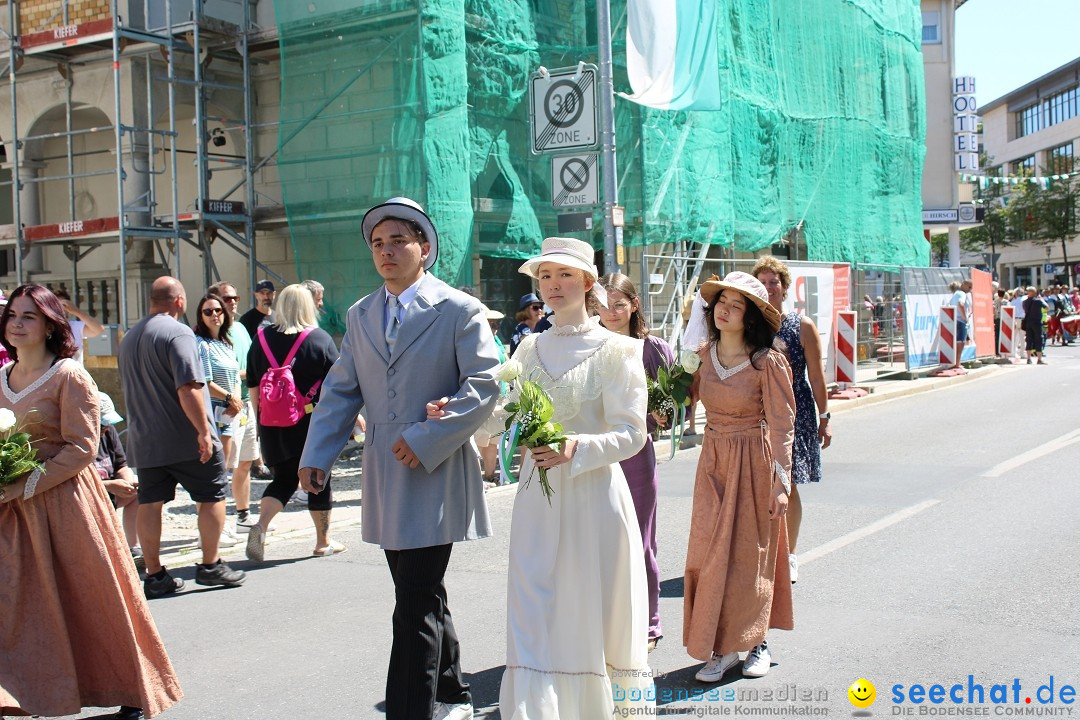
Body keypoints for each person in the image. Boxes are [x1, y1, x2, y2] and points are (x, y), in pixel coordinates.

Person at [298, 197, 500, 720]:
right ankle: (453, 692)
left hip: (434, 466)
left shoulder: (458, 308)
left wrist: (428, 436)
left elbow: (484, 384)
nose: (386, 251)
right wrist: (316, 453)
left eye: (398, 241)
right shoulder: (361, 313)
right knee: (418, 588)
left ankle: (410, 710)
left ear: (424, 248)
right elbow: (342, 390)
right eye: (377, 243)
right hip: (384, 472)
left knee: (413, 599)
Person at [0, 283, 182, 720]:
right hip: (13, 515)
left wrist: (23, 485)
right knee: (20, 604)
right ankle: (31, 693)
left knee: (93, 598)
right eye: (13, 315)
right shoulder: (1, 378)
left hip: (67, 506)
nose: (18, 323)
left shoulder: (70, 375)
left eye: (29, 316)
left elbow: (82, 448)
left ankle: (134, 693)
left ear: (49, 326)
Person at [488, 238, 653, 719]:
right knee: (535, 606)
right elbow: (508, 414)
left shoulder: (620, 350)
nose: (553, 285)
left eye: (563, 275)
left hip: (595, 499)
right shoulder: (528, 349)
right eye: (545, 276)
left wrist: (576, 447)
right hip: (536, 499)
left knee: (590, 609)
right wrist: (458, 417)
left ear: (586, 282)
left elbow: (633, 434)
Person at [683, 271, 795, 682]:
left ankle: (756, 641)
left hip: (754, 461)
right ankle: (723, 645)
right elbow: (681, 402)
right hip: (713, 461)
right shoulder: (700, 356)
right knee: (711, 554)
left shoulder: (767, 361)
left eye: (736, 305)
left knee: (751, 556)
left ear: (749, 316)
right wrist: (663, 405)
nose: (724, 311)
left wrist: (781, 484)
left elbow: (784, 425)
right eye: (721, 303)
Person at [118, 276, 246, 597]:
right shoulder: (178, 332)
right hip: (185, 437)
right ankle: (210, 564)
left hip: (145, 439)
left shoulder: (130, 337)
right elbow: (188, 385)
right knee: (212, 496)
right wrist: (204, 430)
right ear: (179, 301)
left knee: (150, 502)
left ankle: (155, 574)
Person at [597, 272, 673, 651]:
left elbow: (674, 405)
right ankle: (606, 625)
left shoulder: (654, 349)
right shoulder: (587, 346)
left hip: (636, 458)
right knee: (596, 543)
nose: (611, 313)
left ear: (634, 305)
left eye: (619, 305)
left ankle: (649, 623)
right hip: (593, 457)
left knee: (640, 541)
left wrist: (664, 413)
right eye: (604, 305)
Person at [245, 284, 342, 560]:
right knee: (317, 477)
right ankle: (323, 541)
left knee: (284, 479)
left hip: (272, 423)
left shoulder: (260, 339)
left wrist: (263, 422)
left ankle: (261, 525)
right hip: (310, 422)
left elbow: (253, 385)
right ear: (308, 306)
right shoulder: (319, 339)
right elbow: (337, 384)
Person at [752, 256, 832, 585]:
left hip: (793, 412)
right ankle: (759, 553)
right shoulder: (747, 327)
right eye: (763, 283)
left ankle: (790, 553)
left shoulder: (802, 326)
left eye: (774, 282)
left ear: (785, 288)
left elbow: (816, 374)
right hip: (755, 413)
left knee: (787, 483)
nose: (769, 288)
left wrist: (824, 416)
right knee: (756, 486)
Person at [207, 280, 259, 529]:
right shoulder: (208, 334)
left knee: (245, 461)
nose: (232, 303)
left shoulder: (239, 328)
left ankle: (242, 514)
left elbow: (250, 363)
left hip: (246, 402)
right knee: (224, 465)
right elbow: (210, 374)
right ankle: (220, 519)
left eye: (235, 299)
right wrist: (247, 374)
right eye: (226, 299)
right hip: (225, 406)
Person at [193, 294, 243, 486]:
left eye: (218, 310)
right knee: (213, 470)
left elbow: (236, 377)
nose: (214, 314)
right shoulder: (201, 344)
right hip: (213, 412)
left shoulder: (226, 343)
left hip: (229, 411)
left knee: (224, 468)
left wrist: (236, 400)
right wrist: (231, 398)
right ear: (201, 316)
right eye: (208, 311)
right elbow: (205, 381)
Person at [95, 391, 143, 569]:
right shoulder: (78, 440)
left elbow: (121, 464)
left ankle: (133, 547)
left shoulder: (108, 433)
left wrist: (128, 482)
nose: (106, 428)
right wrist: (109, 486)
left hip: (111, 493)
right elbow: (75, 482)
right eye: (102, 424)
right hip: (89, 498)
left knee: (140, 492)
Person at [474, 304, 508, 486]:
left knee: (494, 437)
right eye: (490, 324)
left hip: (499, 395)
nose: (494, 328)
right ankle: (478, 476)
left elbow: (505, 361)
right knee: (481, 437)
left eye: (496, 325)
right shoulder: (477, 341)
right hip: (482, 396)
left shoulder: (497, 341)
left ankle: (490, 474)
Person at [55, 288, 104, 363]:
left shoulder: (74, 326)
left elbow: (98, 329)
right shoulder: (43, 328)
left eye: (63, 305)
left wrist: (76, 311)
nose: (60, 309)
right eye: (55, 305)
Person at [1021, 286, 1048, 364]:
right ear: (1035, 292)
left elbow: (1024, 310)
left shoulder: (1025, 302)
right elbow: (1047, 308)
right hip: (1037, 322)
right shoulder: (1038, 301)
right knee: (1038, 339)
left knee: (1029, 340)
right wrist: (1042, 299)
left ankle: (1028, 359)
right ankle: (1039, 359)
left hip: (1028, 323)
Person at [947, 280, 970, 368]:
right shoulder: (962, 294)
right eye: (969, 287)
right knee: (961, 343)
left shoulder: (955, 294)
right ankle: (957, 363)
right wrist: (965, 318)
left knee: (958, 342)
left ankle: (955, 363)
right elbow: (960, 304)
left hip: (955, 320)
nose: (970, 290)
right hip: (960, 321)